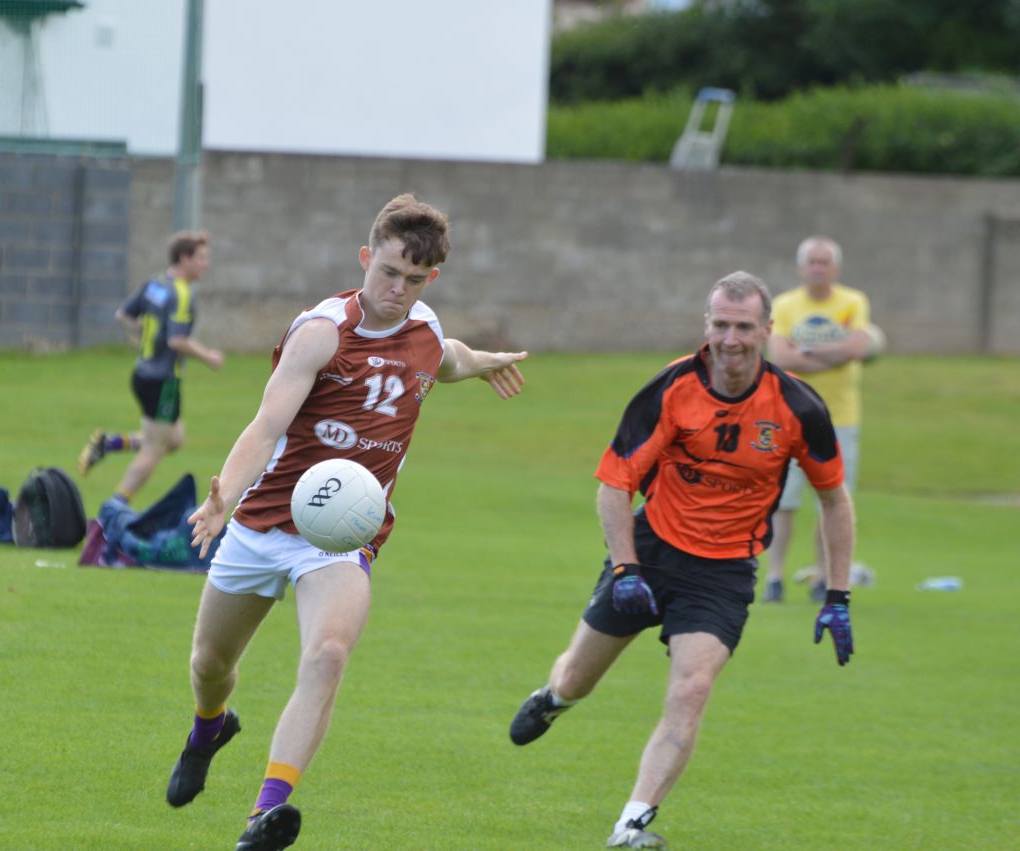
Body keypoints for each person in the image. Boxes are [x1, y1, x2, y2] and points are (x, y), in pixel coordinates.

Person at [166, 194, 528, 851]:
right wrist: (224, 495)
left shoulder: (423, 329)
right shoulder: (322, 332)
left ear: (431, 281)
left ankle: (264, 814)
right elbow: (267, 422)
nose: (398, 290)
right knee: (210, 662)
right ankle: (209, 726)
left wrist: (484, 366)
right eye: (388, 272)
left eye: (414, 281)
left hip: (338, 537)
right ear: (366, 257)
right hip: (263, 518)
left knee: (329, 652)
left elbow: (448, 358)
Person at [508, 271, 855, 850]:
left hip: (723, 572)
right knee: (576, 676)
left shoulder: (797, 406)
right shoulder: (671, 388)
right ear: (707, 325)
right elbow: (613, 485)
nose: (731, 339)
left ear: (767, 331)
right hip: (651, 551)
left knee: (691, 688)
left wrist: (838, 595)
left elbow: (833, 500)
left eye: (744, 327)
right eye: (721, 324)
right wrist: (625, 569)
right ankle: (554, 700)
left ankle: (631, 824)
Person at [762, 236, 875, 603]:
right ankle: (775, 577)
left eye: (824, 262)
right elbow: (780, 356)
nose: (818, 268)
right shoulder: (785, 304)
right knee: (784, 500)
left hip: (840, 418)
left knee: (832, 499)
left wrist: (806, 351)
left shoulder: (853, 302)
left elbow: (860, 348)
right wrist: (834, 354)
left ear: (835, 268)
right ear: (801, 266)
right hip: (788, 415)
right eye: (812, 261)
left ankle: (823, 578)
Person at [77, 231, 224, 506]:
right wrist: (209, 357)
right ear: (184, 258)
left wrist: (145, 340)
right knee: (155, 447)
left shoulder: (155, 284)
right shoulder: (180, 293)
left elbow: (123, 315)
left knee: (174, 439)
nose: (207, 264)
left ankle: (108, 444)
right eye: (201, 258)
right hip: (164, 382)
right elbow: (177, 340)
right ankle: (115, 509)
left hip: (142, 374)